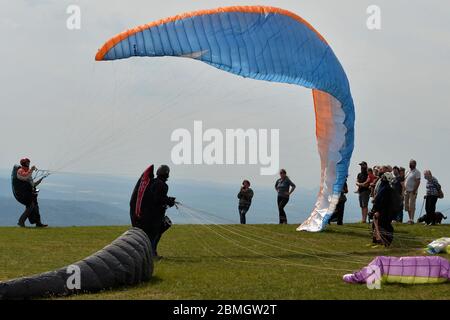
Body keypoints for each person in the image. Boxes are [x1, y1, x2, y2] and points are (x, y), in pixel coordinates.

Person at [130, 165, 176, 258]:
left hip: (147, 215)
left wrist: (167, 199)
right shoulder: (162, 185)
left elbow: (156, 197)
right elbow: (158, 199)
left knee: (154, 233)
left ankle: (150, 253)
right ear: (167, 175)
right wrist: (169, 201)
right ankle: (151, 254)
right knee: (154, 234)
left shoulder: (153, 182)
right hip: (153, 217)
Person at [15, 158, 48, 228]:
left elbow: (32, 184)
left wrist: (39, 180)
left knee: (35, 206)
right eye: (27, 163)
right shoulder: (20, 171)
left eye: (29, 163)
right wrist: (32, 170)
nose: (28, 165)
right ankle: (21, 221)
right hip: (23, 194)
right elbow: (25, 177)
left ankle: (38, 223)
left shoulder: (28, 172)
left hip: (29, 193)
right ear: (24, 163)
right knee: (31, 206)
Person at [371, 172, 396, 247]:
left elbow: (383, 202)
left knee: (384, 226)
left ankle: (385, 242)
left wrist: (377, 211)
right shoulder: (384, 187)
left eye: (383, 177)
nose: (382, 178)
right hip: (382, 211)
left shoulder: (386, 189)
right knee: (375, 225)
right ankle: (377, 241)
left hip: (384, 212)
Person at [404, 159, 421, 224]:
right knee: (407, 205)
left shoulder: (417, 172)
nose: (410, 164)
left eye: (412, 163)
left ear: (415, 164)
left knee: (412, 205)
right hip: (407, 191)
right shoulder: (408, 171)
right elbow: (405, 180)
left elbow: (418, 181)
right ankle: (409, 219)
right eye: (410, 163)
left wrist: (414, 190)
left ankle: (412, 219)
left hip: (412, 191)